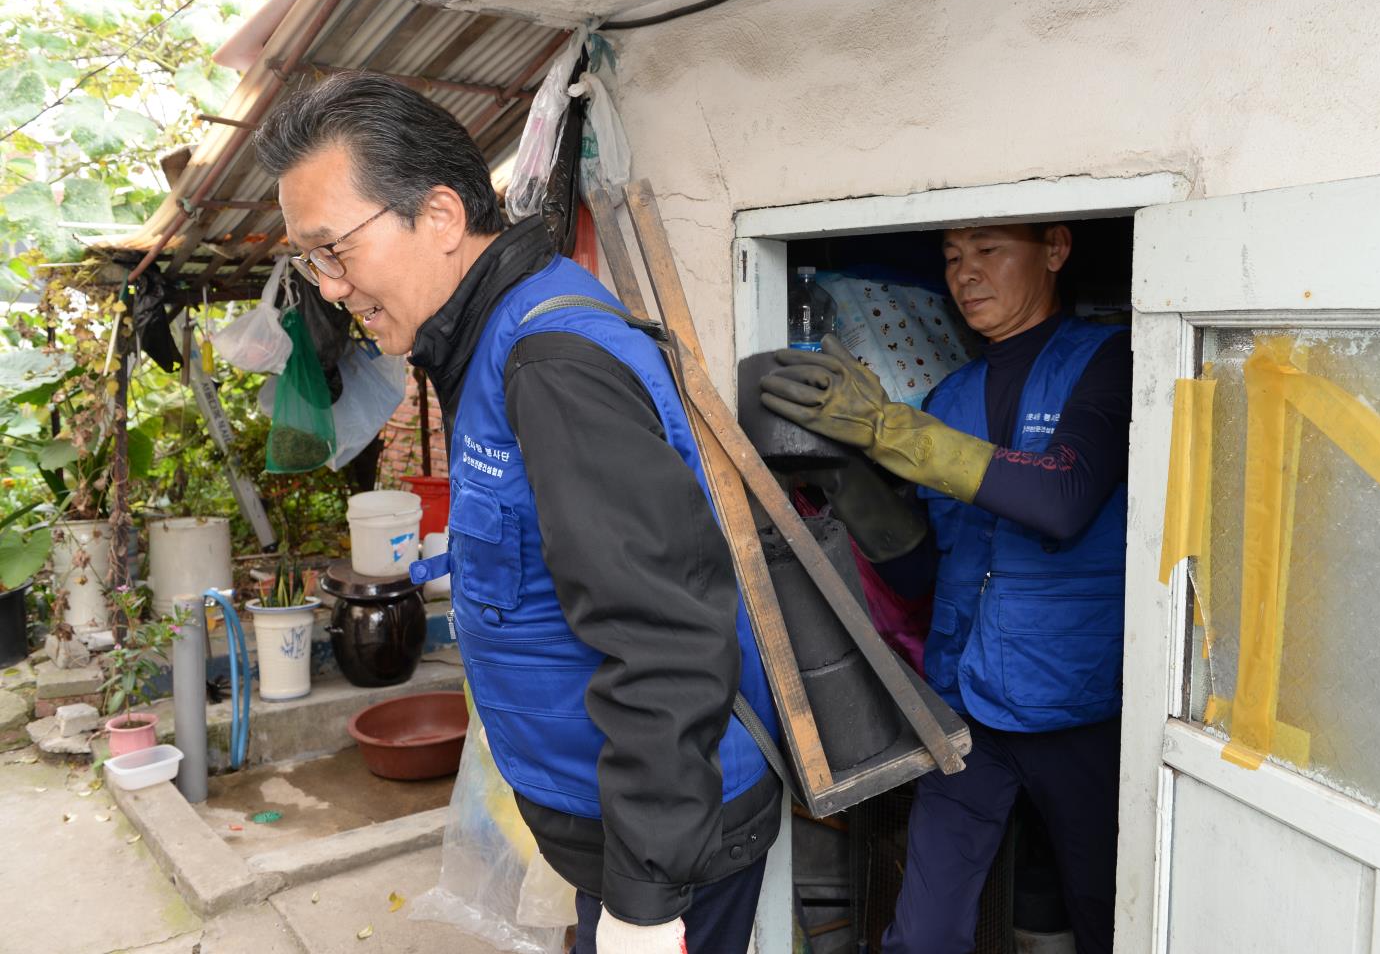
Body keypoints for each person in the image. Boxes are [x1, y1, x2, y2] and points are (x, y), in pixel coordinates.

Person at [256, 72, 782, 954]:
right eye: (313, 263)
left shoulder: (550, 361)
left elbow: (663, 635)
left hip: (668, 845)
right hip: (614, 829)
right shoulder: (487, 342)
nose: (332, 288)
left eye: (334, 250)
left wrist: (646, 903)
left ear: (440, 216)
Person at [760, 222, 1130, 954]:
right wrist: (844, 479)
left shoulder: (1109, 360)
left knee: (1106, 915)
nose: (966, 274)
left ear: (1055, 250)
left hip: (1078, 702)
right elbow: (927, 571)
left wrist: (888, 431)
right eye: (953, 257)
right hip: (965, 701)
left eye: (989, 251)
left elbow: (1063, 498)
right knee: (924, 932)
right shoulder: (949, 396)